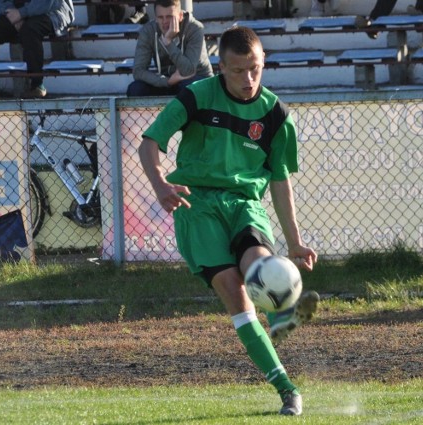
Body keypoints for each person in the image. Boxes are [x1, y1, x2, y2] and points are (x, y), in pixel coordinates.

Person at [138, 25, 319, 416]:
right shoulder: (197, 96)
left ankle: (280, 308)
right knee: (234, 292)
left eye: (255, 68)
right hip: (197, 208)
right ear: (221, 67)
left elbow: (280, 179)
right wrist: (160, 184)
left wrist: (295, 241)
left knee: (259, 269)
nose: (248, 79)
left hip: (244, 206)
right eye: (238, 71)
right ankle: (287, 388)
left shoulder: (276, 115)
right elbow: (149, 142)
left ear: (264, 62)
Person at [0, 0, 75, 99]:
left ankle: (37, 85)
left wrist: (21, 13)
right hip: (18, 13)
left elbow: (47, 3)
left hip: (52, 11)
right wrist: (11, 13)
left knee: (30, 29)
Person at [126, 0, 213, 97]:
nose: (164, 22)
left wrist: (168, 42)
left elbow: (188, 70)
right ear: (155, 18)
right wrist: (166, 81)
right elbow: (138, 71)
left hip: (196, 79)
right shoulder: (148, 31)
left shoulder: (195, 28)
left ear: (180, 16)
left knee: (187, 88)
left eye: (169, 17)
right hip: (169, 81)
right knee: (136, 89)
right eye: (160, 17)